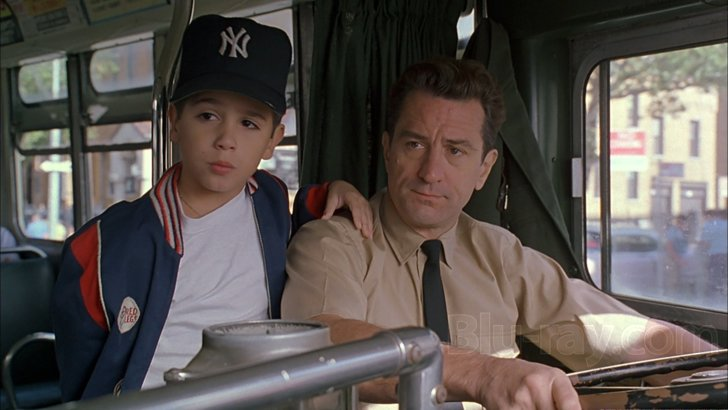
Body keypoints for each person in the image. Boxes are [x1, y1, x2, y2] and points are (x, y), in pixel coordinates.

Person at [281, 57, 719, 409]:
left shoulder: (498, 252)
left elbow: (619, 333)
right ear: (388, 150)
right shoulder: (333, 244)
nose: (431, 171)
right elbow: (322, 341)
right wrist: (482, 372)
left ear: (484, 169)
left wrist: (714, 368)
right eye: (414, 144)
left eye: (455, 151)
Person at [52, 15, 372, 401]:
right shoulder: (102, 247)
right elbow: (82, 376)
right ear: (174, 122)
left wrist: (336, 190)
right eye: (208, 116)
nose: (226, 140)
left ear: (273, 140)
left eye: (249, 123)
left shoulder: (270, 200)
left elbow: (304, 218)